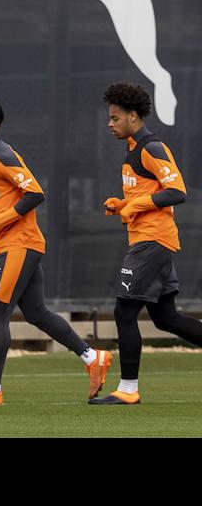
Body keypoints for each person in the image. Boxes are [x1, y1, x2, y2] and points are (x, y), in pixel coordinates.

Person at [0, 98, 110, 405]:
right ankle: (93, 357)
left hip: (20, 244)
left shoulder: (4, 154)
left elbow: (36, 193)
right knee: (37, 313)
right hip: (16, 244)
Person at [89, 83, 200, 405]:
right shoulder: (133, 148)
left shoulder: (152, 147)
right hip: (149, 239)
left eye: (114, 118)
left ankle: (127, 390)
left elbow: (177, 191)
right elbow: (146, 195)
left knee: (124, 311)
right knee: (165, 318)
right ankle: (128, 389)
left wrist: (134, 206)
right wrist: (121, 204)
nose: (109, 124)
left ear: (133, 116)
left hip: (152, 241)